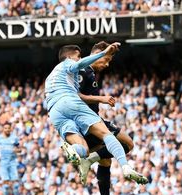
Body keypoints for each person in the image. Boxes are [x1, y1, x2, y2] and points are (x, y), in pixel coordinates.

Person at [45, 42, 146, 184]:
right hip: (69, 102)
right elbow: (77, 66)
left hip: (54, 112)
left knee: (83, 150)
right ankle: (126, 166)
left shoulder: (52, 75)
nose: (79, 59)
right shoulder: (68, 64)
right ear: (69, 56)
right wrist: (104, 52)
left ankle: (73, 150)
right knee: (107, 135)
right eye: (78, 56)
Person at [74, 41, 143, 195]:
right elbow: (75, 95)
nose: (107, 64)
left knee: (105, 160)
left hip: (91, 119)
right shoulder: (83, 71)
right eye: (106, 59)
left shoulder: (90, 72)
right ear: (97, 54)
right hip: (86, 121)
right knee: (127, 144)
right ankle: (89, 160)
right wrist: (101, 99)